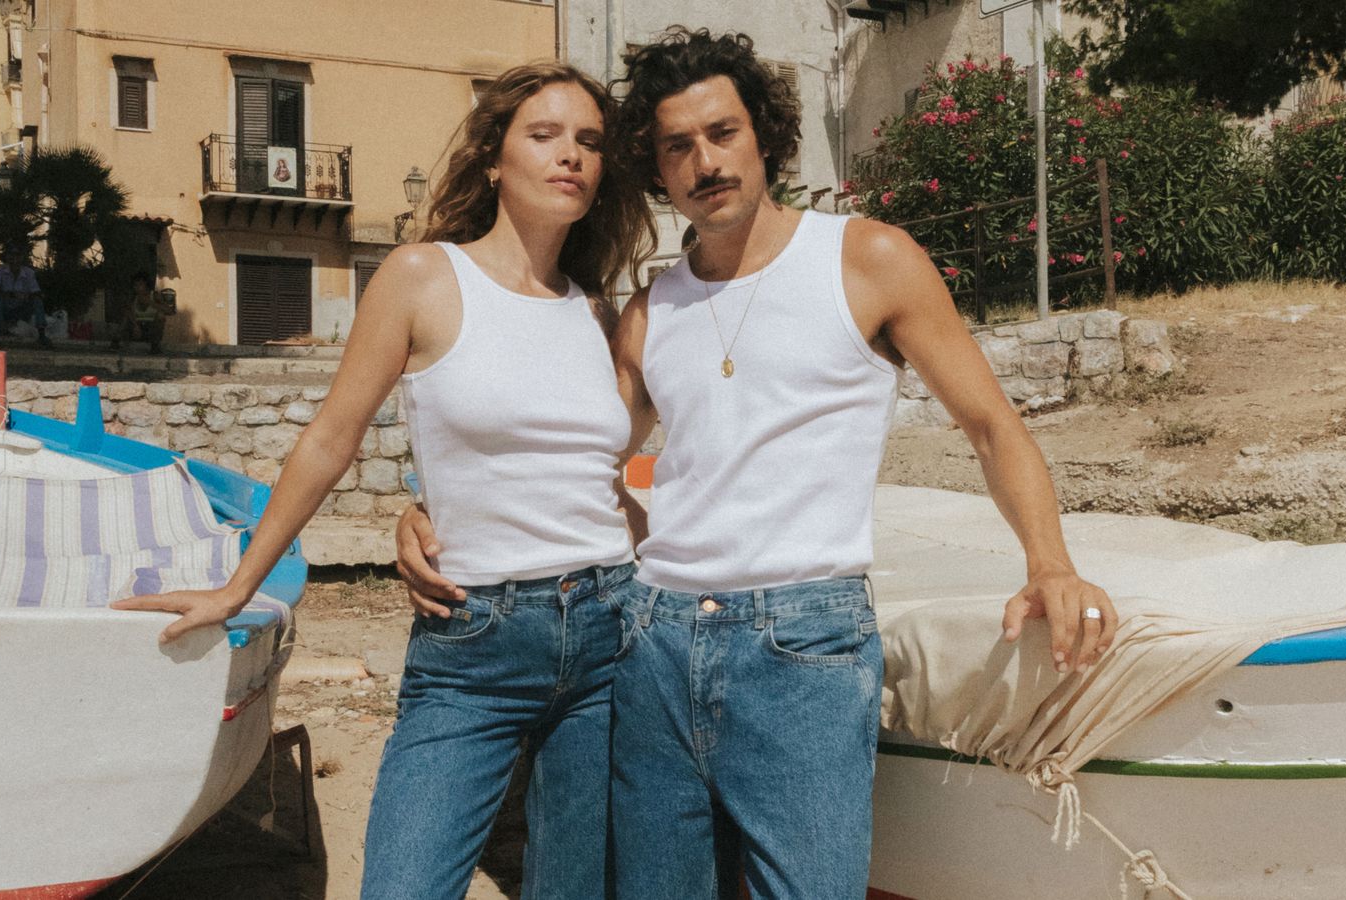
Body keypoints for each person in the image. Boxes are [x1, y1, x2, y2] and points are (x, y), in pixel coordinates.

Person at [396, 28, 1118, 899]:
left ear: (764, 136)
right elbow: (561, 455)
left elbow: (993, 427)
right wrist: (421, 508)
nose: (705, 161)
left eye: (723, 133)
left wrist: (1050, 563)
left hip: (803, 644)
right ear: (657, 172)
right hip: (652, 644)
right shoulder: (651, 309)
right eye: (677, 147)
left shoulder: (867, 260)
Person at [114, 61, 655, 900]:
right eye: (543, 135)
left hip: (606, 624)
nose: (571, 156)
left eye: (587, 141)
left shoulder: (595, 311)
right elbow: (331, 439)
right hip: (474, 634)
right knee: (405, 885)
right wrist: (236, 587)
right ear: (493, 159)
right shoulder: (421, 276)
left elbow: (599, 474)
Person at [0, 245, 51, 348]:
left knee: (37, 301)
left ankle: (42, 334)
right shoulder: (1, 271)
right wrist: (9, 294)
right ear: (7, 257)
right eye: (11, 255)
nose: (14, 259)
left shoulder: (29, 273)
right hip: (6, 308)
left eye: (17, 255)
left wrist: (27, 296)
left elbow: (37, 292)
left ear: (22, 257)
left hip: (22, 308)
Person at [112, 272, 167, 354]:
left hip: (150, 327)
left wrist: (151, 303)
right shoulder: (133, 297)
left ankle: (155, 345)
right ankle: (115, 341)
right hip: (136, 327)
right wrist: (135, 325)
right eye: (135, 285)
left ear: (146, 285)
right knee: (125, 316)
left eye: (140, 285)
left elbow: (169, 310)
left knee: (161, 315)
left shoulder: (155, 296)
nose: (138, 288)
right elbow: (127, 311)